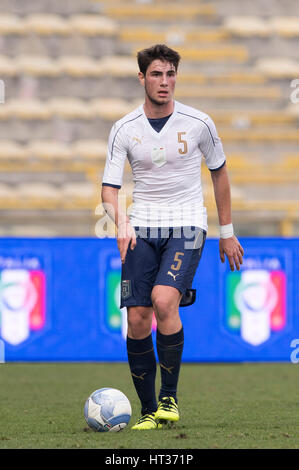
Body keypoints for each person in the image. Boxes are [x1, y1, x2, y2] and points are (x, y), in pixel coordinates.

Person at [101, 44, 244, 430]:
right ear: (142, 78)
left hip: (186, 225)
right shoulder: (124, 129)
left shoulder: (199, 123)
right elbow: (109, 189)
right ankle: (147, 411)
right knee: (137, 317)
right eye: (156, 75)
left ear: (176, 77)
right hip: (141, 228)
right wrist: (121, 224)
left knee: (164, 301)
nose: (164, 82)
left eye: (170, 74)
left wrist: (226, 232)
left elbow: (220, 173)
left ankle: (169, 399)